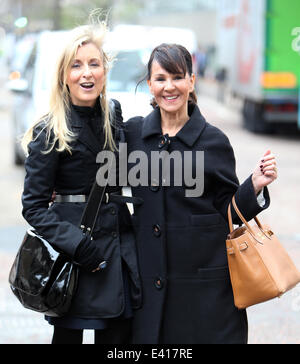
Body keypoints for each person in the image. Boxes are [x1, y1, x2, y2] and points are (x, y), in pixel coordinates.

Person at [124, 43, 278, 344]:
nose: (169, 87)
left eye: (178, 77)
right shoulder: (133, 136)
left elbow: (230, 211)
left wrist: (255, 184)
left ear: (191, 82)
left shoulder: (213, 141)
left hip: (205, 294)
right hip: (149, 290)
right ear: (149, 85)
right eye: (160, 79)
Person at [21, 19, 141, 344]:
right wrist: (77, 245)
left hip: (118, 250)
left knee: (120, 338)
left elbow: (131, 173)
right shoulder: (49, 130)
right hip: (77, 256)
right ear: (64, 75)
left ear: (104, 71)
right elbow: (33, 207)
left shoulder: (114, 116)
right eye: (76, 65)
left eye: (93, 63)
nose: (86, 73)